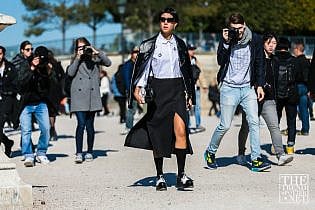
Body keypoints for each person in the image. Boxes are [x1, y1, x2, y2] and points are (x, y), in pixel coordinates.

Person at [125, 7, 195, 191]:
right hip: (158, 91)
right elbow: (144, 69)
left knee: (181, 130)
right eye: (162, 19)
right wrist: (137, 88)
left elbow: (186, 71)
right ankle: (160, 176)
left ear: (175, 24)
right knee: (159, 133)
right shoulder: (149, 44)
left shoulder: (180, 44)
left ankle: (181, 175)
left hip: (177, 90)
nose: (165, 22)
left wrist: (190, 94)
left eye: (169, 19)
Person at [204, 13, 271, 172]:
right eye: (234, 29)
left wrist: (260, 85)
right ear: (229, 27)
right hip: (229, 88)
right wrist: (226, 43)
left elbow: (260, 63)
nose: (238, 31)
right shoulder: (228, 38)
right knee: (225, 125)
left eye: (240, 28)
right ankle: (210, 152)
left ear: (245, 25)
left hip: (248, 88)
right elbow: (220, 61)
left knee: (254, 123)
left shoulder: (254, 39)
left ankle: (256, 159)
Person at [237, 33, 293, 166]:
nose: (272, 46)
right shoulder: (255, 59)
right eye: (269, 43)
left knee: (274, 126)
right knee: (246, 127)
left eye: (274, 43)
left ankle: (281, 155)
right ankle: (241, 153)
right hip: (252, 98)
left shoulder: (276, 60)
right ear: (263, 43)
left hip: (269, 99)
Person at [67, 37, 111, 163]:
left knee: (90, 126)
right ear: (76, 49)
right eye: (79, 47)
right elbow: (70, 73)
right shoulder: (75, 59)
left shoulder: (95, 58)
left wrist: (97, 52)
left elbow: (108, 63)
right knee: (81, 124)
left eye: (84, 46)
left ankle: (90, 151)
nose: (82, 49)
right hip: (79, 97)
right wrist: (77, 58)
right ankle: (79, 152)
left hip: (92, 97)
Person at [18, 46, 52, 167]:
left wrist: (48, 73)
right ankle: (28, 155)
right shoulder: (25, 64)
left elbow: (48, 87)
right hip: (26, 104)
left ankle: (41, 152)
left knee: (46, 129)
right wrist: (32, 68)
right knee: (26, 130)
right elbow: (21, 83)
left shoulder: (45, 67)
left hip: (41, 103)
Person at [274, 37, 299, 155]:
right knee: (291, 120)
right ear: (288, 47)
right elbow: (299, 77)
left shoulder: (273, 60)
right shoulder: (294, 60)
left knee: (275, 121)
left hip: (276, 95)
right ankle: (290, 146)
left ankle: (276, 145)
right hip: (292, 94)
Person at [0, 46, 17, 157]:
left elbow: (16, 84)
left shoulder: (10, 67)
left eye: (0, 53)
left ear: (3, 54)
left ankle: (6, 143)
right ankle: (7, 142)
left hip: (7, 100)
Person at [187, 43, 207, 134]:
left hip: (196, 87)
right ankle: (188, 125)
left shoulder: (196, 61)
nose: (192, 51)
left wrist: (204, 85)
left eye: (193, 49)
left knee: (197, 107)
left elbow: (201, 74)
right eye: (190, 49)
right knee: (187, 107)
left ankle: (198, 124)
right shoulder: (183, 61)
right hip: (187, 89)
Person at [292, 41, 311, 136]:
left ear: (297, 49)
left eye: (294, 49)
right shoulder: (307, 61)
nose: (293, 51)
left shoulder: (296, 61)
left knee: (292, 108)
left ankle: (291, 128)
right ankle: (305, 129)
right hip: (306, 87)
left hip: (297, 86)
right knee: (304, 109)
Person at [120, 46, 140, 135]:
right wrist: (130, 91)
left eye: (138, 53)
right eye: (135, 52)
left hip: (139, 89)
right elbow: (127, 79)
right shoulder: (128, 65)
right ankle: (128, 127)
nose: (137, 54)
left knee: (135, 109)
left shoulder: (138, 64)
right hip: (131, 90)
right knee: (131, 109)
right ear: (132, 54)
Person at [47, 50, 65, 141]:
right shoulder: (57, 64)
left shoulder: (45, 65)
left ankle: (51, 129)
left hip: (48, 91)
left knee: (49, 112)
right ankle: (52, 128)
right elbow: (63, 78)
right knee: (52, 112)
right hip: (55, 92)